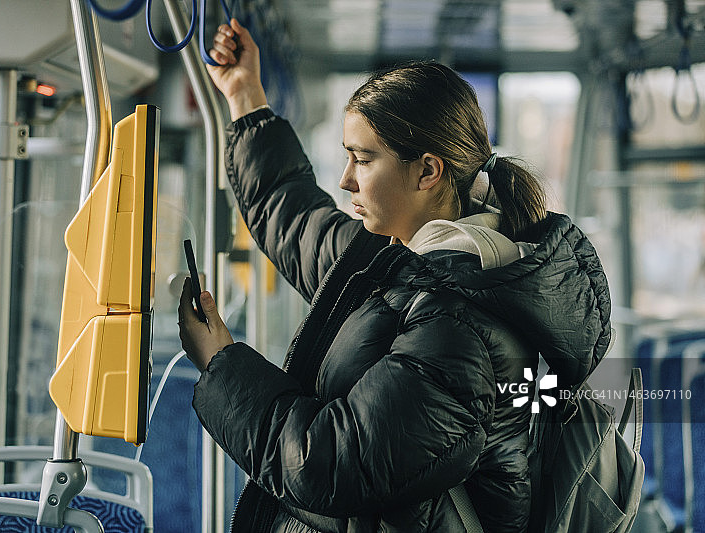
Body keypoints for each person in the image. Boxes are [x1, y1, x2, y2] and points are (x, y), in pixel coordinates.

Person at [178, 18, 613, 533]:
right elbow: (293, 217)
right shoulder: (402, 260)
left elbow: (328, 464)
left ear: (428, 171)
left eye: (362, 160)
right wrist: (245, 97)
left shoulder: (460, 329)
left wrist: (220, 361)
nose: (344, 180)